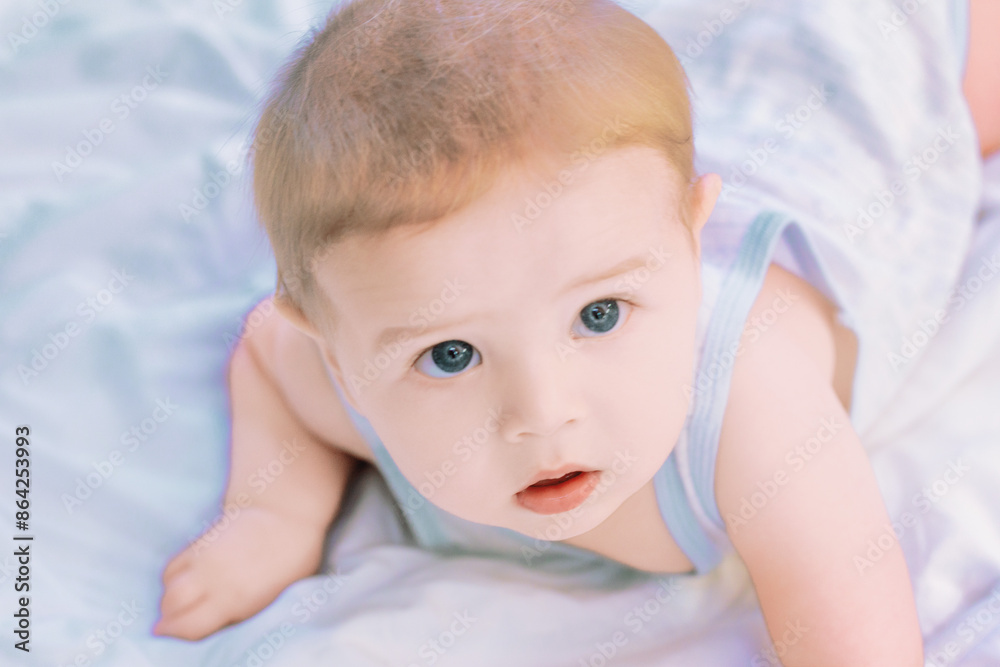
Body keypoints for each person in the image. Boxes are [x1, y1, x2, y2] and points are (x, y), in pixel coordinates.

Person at [154, 0, 998, 662]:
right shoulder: (335, 370)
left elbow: (852, 632)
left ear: (690, 237)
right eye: (451, 356)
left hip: (856, 101)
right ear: (336, 347)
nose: (541, 412)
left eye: (599, 316)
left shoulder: (755, 409)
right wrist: (271, 513)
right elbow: (268, 347)